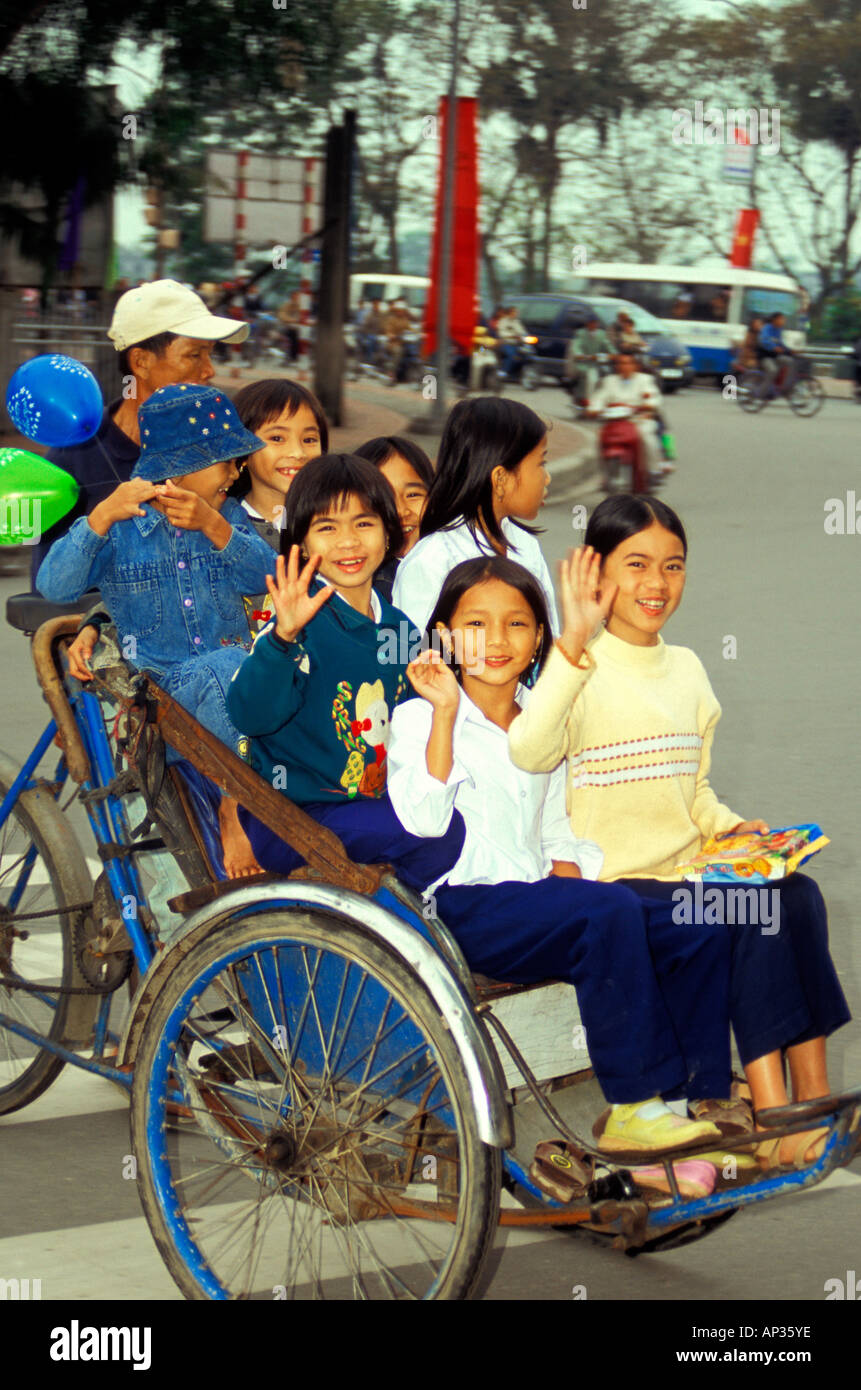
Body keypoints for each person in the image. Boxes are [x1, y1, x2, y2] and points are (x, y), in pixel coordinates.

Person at [508, 495, 852, 1168]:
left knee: (797, 894)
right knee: (757, 912)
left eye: (672, 566)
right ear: (594, 572)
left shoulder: (687, 667)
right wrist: (569, 644)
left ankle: (811, 1096)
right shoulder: (574, 666)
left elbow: (689, 790)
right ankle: (771, 1112)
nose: (656, 584)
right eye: (635, 565)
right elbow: (531, 750)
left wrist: (740, 833)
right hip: (619, 888)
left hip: (686, 872)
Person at [386, 556, 728, 1159]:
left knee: (690, 917)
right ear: (443, 633)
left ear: (540, 637)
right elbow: (422, 821)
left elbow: (555, 830)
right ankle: (636, 1103)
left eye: (517, 624)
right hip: (465, 908)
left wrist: (573, 880)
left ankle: (689, 1103)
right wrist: (443, 714)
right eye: (475, 624)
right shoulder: (418, 718)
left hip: (537, 899)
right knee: (609, 911)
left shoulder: (542, 720)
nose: (496, 641)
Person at [36, 384, 277, 878]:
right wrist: (99, 516)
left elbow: (268, 577)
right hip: (160, 702)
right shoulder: (122, 527)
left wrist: (215, 526)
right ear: (180, 469)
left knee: (238, 670)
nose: (236, 471)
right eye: (225, 461)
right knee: (227, 665)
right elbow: (54, 586)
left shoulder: (226, 515)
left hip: (231, 703)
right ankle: (238, 806)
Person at [225, 454, 465, 893]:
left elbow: (413, 729)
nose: (348, 543)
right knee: (441, 830)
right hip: (293, 818)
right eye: (327, 528)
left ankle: (385, 914)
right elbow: (250, 715)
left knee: (454, 817)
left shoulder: (398, 629)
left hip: (368, 804)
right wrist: (283, 637)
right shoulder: (295, 621)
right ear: (300, 542)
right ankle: (391, 916)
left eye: (364, 523)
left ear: (390, 533)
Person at [29, 278, 250, 586]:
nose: (209, 370)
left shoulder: (221, 449)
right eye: (195, 354)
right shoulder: (74, 459)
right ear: (141, 362)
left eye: (211, 354)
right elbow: (50, 589)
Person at [392, 396, 559, 636]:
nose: (547, 477)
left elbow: (549, 636)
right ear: (501, 480)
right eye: (541, 463)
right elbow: (414, 652)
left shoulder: (526, 546)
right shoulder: (432, 560)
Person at [352, 436, 433, 600]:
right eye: (385, 499)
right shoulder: (375, 587)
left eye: (413, 495)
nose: (401, 511)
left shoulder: (450, 560)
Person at [587, 351, 665, 482]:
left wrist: (648, 405)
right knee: (600, 437)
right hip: (615, 422)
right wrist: (593, 409)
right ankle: (603, 474)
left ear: (636, 366)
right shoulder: (609, 381)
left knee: (646, 437)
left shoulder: (645, 380)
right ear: (616, 366)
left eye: (628, 363)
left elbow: (652, 397)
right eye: (621, 363)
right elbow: (599, 398)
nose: (625, 366)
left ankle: (653, 470)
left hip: (638, 420)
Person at [563, 313, 612, 406]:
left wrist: (614, 354)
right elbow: (576, 346)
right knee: (591, 378)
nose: (593, 325)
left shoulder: (602, 334)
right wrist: (580, 355)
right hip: (583, 363)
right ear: (587, 324)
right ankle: (589, 401)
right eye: (591, 323)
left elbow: (608, 346)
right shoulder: (581, 333)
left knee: (609, 378)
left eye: (595, 323)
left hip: (599, 364)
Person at [759, 312, 797, 393]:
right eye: (781, 319)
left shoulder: (779, 330)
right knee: (773, 370)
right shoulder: (766, 328)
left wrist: (790, 350)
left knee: (791, 361)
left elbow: (781, 344)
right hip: (765, 357)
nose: (783, 321)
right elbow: (764, 341)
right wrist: (774, 347)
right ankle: (761, 392)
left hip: (775, 356)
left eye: (783, 319)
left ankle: (786, 386)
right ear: (774, 320)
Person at [495, 306, 528, 378]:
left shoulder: (517, 322)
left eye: (516, 312)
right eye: (514, 312)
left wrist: (523, 336)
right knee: (512, 355)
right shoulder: (503, 321)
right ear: (510, 313)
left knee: (525, 355)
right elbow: (501, 333)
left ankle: (518, 373)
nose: (516, 314)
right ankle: (504, 371)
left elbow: (523, 332)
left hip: (517, 344)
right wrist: (513, 336)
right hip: (506, 343)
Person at [276, 291, 303, 362]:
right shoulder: (286, 305)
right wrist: (293, 320)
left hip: (298, 327)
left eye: (298, 296)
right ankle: (292, 357)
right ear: (292, 296)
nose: (297, 297)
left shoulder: (301, 306)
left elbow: (302, 317)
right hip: (286, 326)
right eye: (295, 295)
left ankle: (298, 356)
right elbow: (282, 316)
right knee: (294, 334)